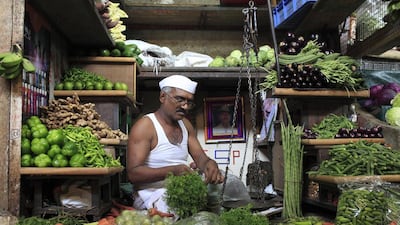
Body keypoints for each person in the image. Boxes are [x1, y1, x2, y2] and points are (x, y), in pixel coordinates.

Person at [126, 75, 224, 215]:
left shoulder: (186, 125)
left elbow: (201, 159)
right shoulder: (145, 126)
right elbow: (133, 174)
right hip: (151, 196)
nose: (185, 106)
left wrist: (210, 164)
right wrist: (174, 171)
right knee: (184, 209)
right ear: (162, 97)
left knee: (229, 187)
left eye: (189, 102)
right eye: (180, 99)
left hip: (182, 191)